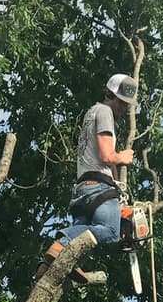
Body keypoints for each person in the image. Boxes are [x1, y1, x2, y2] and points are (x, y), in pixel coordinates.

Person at [36, 72, 138, 286]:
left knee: (81, 247)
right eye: (121, 103)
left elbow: (105, 159)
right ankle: (60, 245)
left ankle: (47, 274)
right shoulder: (104, 112)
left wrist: (118, 191)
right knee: (110, 232)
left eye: (126, 105)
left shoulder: (92, 113)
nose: (122, 109)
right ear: (110, 95)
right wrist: (124, 157)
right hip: (98, 188)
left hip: (85, 188)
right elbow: (107, 156)